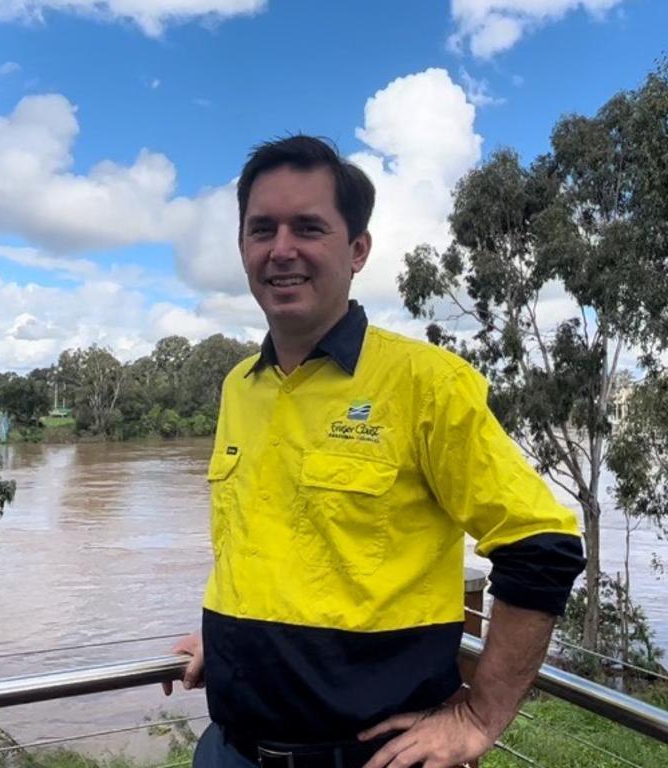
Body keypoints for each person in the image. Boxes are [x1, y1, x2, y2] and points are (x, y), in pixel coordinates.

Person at [162, 135, 586, 768]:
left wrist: (480, 714)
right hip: (229, 752)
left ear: (357, 250)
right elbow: (266, 544)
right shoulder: (237, 386)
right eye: (262, 229)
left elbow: (542, 546)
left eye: (308, 227)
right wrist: (231, 645)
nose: (282, 250)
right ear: (243, 246)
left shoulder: (426, 383)